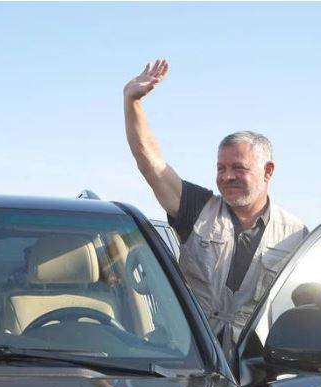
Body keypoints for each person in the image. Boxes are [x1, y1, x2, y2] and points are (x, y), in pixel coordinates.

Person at [123, 59, 308, 351]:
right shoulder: (197, 209)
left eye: (238, 168)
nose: (227, 176)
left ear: (268, 171)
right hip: (190, 355)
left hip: (254, 364)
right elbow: (151, 163)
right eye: (221, 168)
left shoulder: (297, 235)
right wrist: (132, 101)